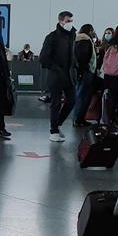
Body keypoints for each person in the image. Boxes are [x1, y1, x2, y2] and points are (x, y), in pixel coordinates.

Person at [39, 11, 77, 141]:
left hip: (69, 75)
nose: (70, 23)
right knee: (55, 103)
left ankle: (58, 123)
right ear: (61, 21)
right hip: (55, 75)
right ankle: (53, 131)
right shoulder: (52, 37)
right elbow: (43, 58)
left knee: (72, 100)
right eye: (68, 21)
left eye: (71, 20)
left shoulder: (72, 36)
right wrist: (57, 69)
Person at [71, 24, 99, 127]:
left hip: (81, 72)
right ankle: (79, 119)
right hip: (85, 72)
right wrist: (84, 69)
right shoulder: (84, 40)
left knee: (81, 95)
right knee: (83, 96)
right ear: (90, 31)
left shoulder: (78, 39)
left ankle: (78, 118)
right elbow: (82, 57)